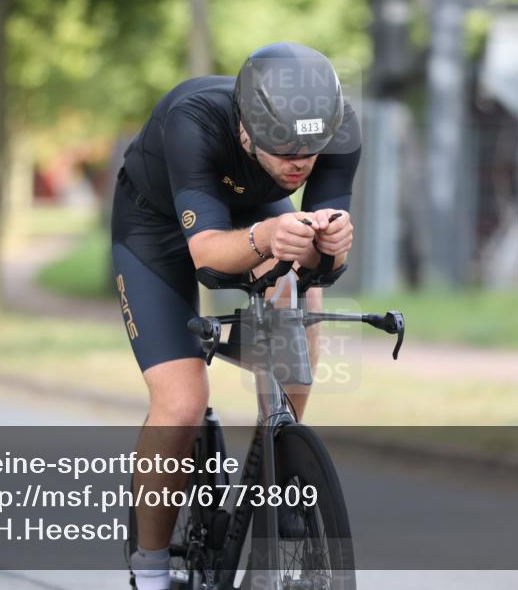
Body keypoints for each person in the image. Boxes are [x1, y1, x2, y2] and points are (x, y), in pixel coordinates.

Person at [111, 41, 361, 590]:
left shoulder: (336, 129)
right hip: (158, 230)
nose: (299, 163)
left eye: (310, 151)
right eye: (283, 148)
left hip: (251, 214)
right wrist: (269, 236)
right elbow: (206, 258)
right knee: (181, 404)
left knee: (299, 293)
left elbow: (323, 266)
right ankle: (149, 569)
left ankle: (284, 453)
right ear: (246, 130)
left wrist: (333, 243)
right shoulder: (193, 120)